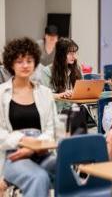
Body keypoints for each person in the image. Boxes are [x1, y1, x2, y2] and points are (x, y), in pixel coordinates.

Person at [0, 37, 57, 197]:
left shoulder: (45, 93)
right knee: (39, 178)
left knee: (64, 168)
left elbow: (51, 130)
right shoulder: (1, 94)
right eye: (19, 61)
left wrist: (32, 148)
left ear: (35, 62)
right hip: (13, 155)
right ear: (11, 63)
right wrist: (23, 141)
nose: (25, 65)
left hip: (41, 151)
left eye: (29, 60)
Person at [41, 38, 82, 113]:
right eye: (70, 53)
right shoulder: (47, 71)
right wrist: (61, 95)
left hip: (75, 111)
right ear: (61, 54)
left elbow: (81, 90)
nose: (74, 57)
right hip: (57, 113)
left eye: (75, 53)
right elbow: (44, 95)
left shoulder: (76, 69)